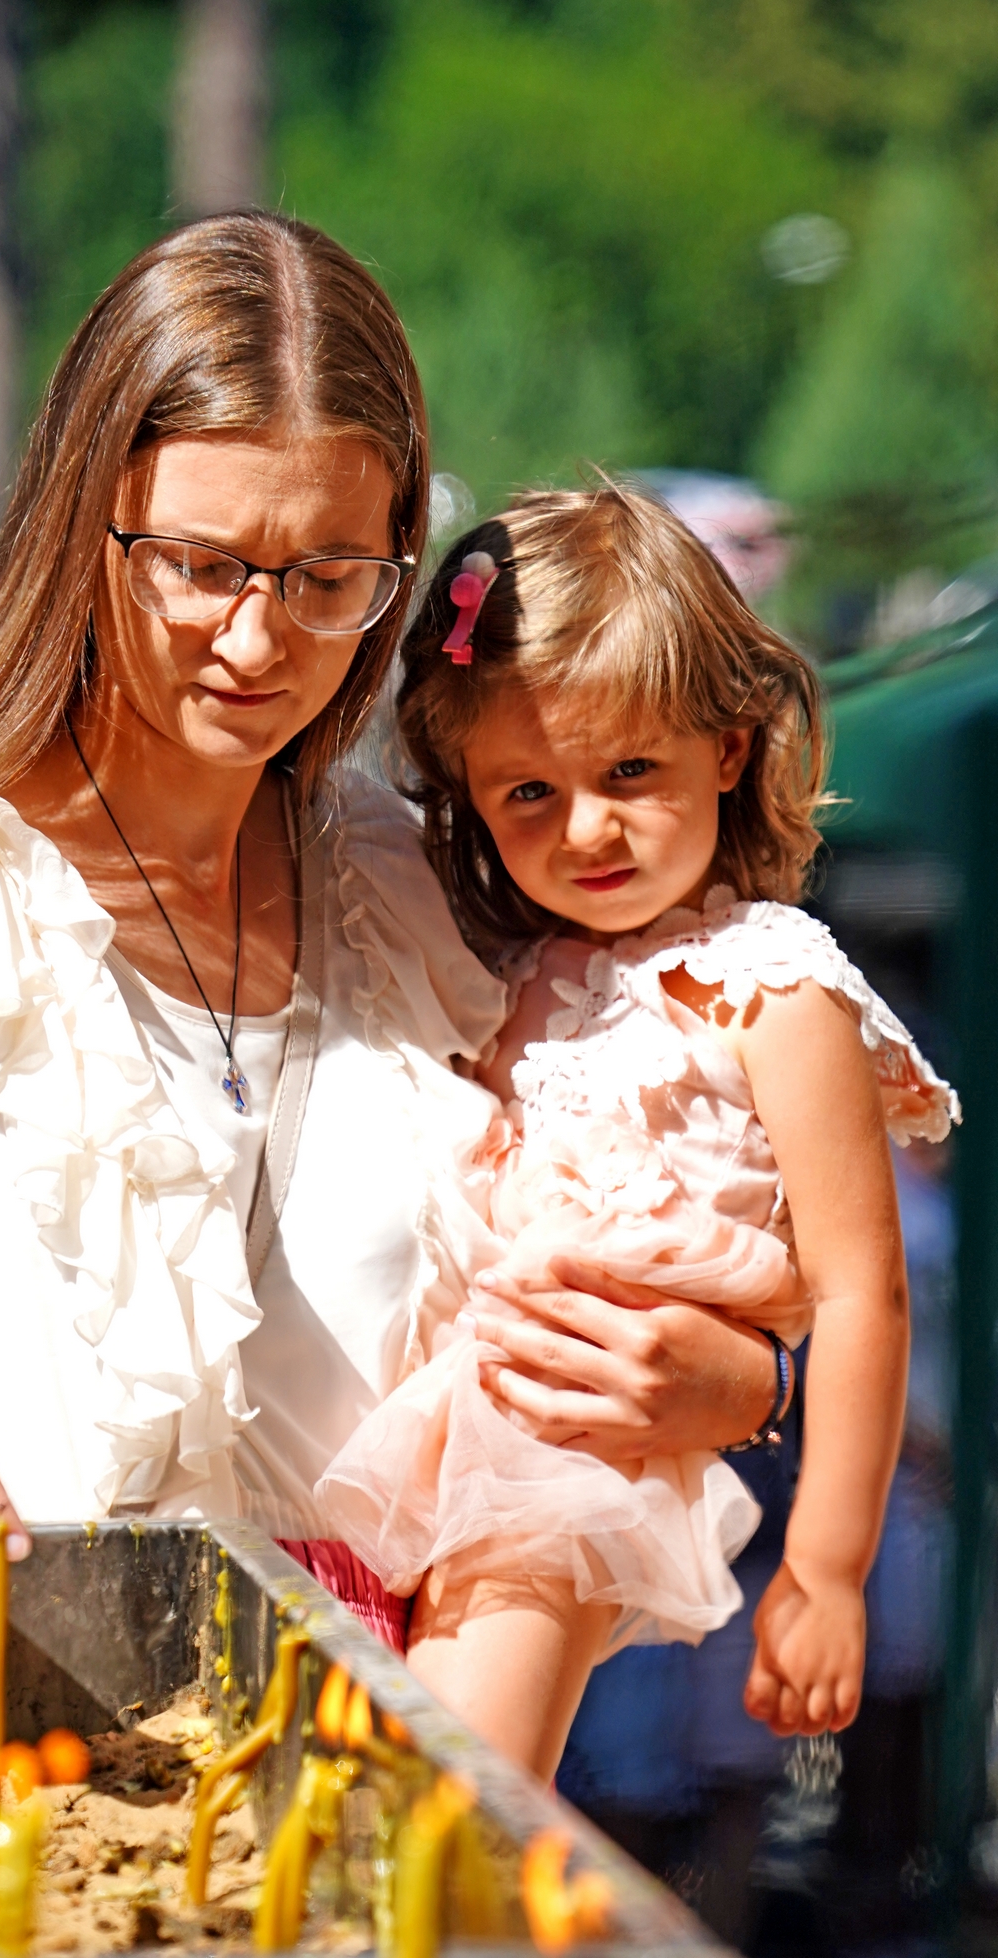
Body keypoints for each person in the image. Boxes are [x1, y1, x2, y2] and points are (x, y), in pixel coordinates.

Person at [0, 218, 777, 1650]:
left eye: (325, 580)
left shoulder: (403, 875)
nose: (259, 645)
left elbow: (626, 1268)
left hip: (399, 1770)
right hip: (29, 1781)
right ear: (85, 526)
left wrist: (736, 1383)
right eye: (200, 565)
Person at [317, 485, 958, 1775]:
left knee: (450, 1809)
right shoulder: (505, 961)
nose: (587, 829)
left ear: (728, 746)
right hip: (440, 1416)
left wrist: (828, 1571)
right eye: (528, 794)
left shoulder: (775, 988)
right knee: (384, 1809)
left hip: (566, 1455)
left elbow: (864, 1291)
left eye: (629, 773)